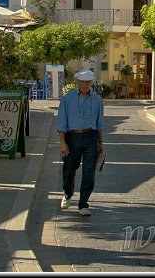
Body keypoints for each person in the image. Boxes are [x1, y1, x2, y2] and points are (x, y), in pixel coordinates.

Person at [57, 70, 104, 216]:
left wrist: (100, 142)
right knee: (69, 170)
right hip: (72, 137)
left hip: (91, 136)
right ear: (77, 82)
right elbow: (61, 122)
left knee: (89, 173)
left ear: (91, 83)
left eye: (88, 82)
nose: (85, 84)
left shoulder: (97, 100)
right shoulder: (67, 99)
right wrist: (62, 143)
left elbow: (99, 123)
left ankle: (83, 203)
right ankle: (67, 193)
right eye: (82, 82)